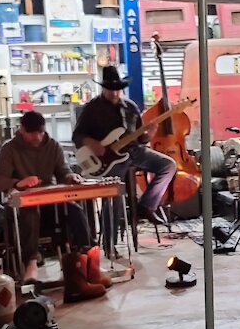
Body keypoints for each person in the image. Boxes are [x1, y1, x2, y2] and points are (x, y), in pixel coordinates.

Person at [0, 111, 95, 284]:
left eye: (40, 132)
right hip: (23, 205)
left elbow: (63, 171)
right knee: (30, 214)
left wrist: (71, 177)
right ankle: (31, 264)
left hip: (50, 202)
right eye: (32, 133)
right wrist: (18, 182)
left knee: (75, 210)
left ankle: (89, 258)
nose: (38, 137)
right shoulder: (9, 148)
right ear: (22, 130)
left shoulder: (53, 145)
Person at [73, 65, 178, 229]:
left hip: (134, 151)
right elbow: (77, 136)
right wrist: (92, 144)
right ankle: (111, 244)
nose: (115, 93)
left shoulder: (130, 107)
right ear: (103, 88)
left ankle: (147, 205)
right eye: (110, 90)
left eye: (118, 90)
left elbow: (141, 139)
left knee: (169, 165)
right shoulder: (92, 108)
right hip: (108, 160)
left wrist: (148, 135)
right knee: (114, 195)